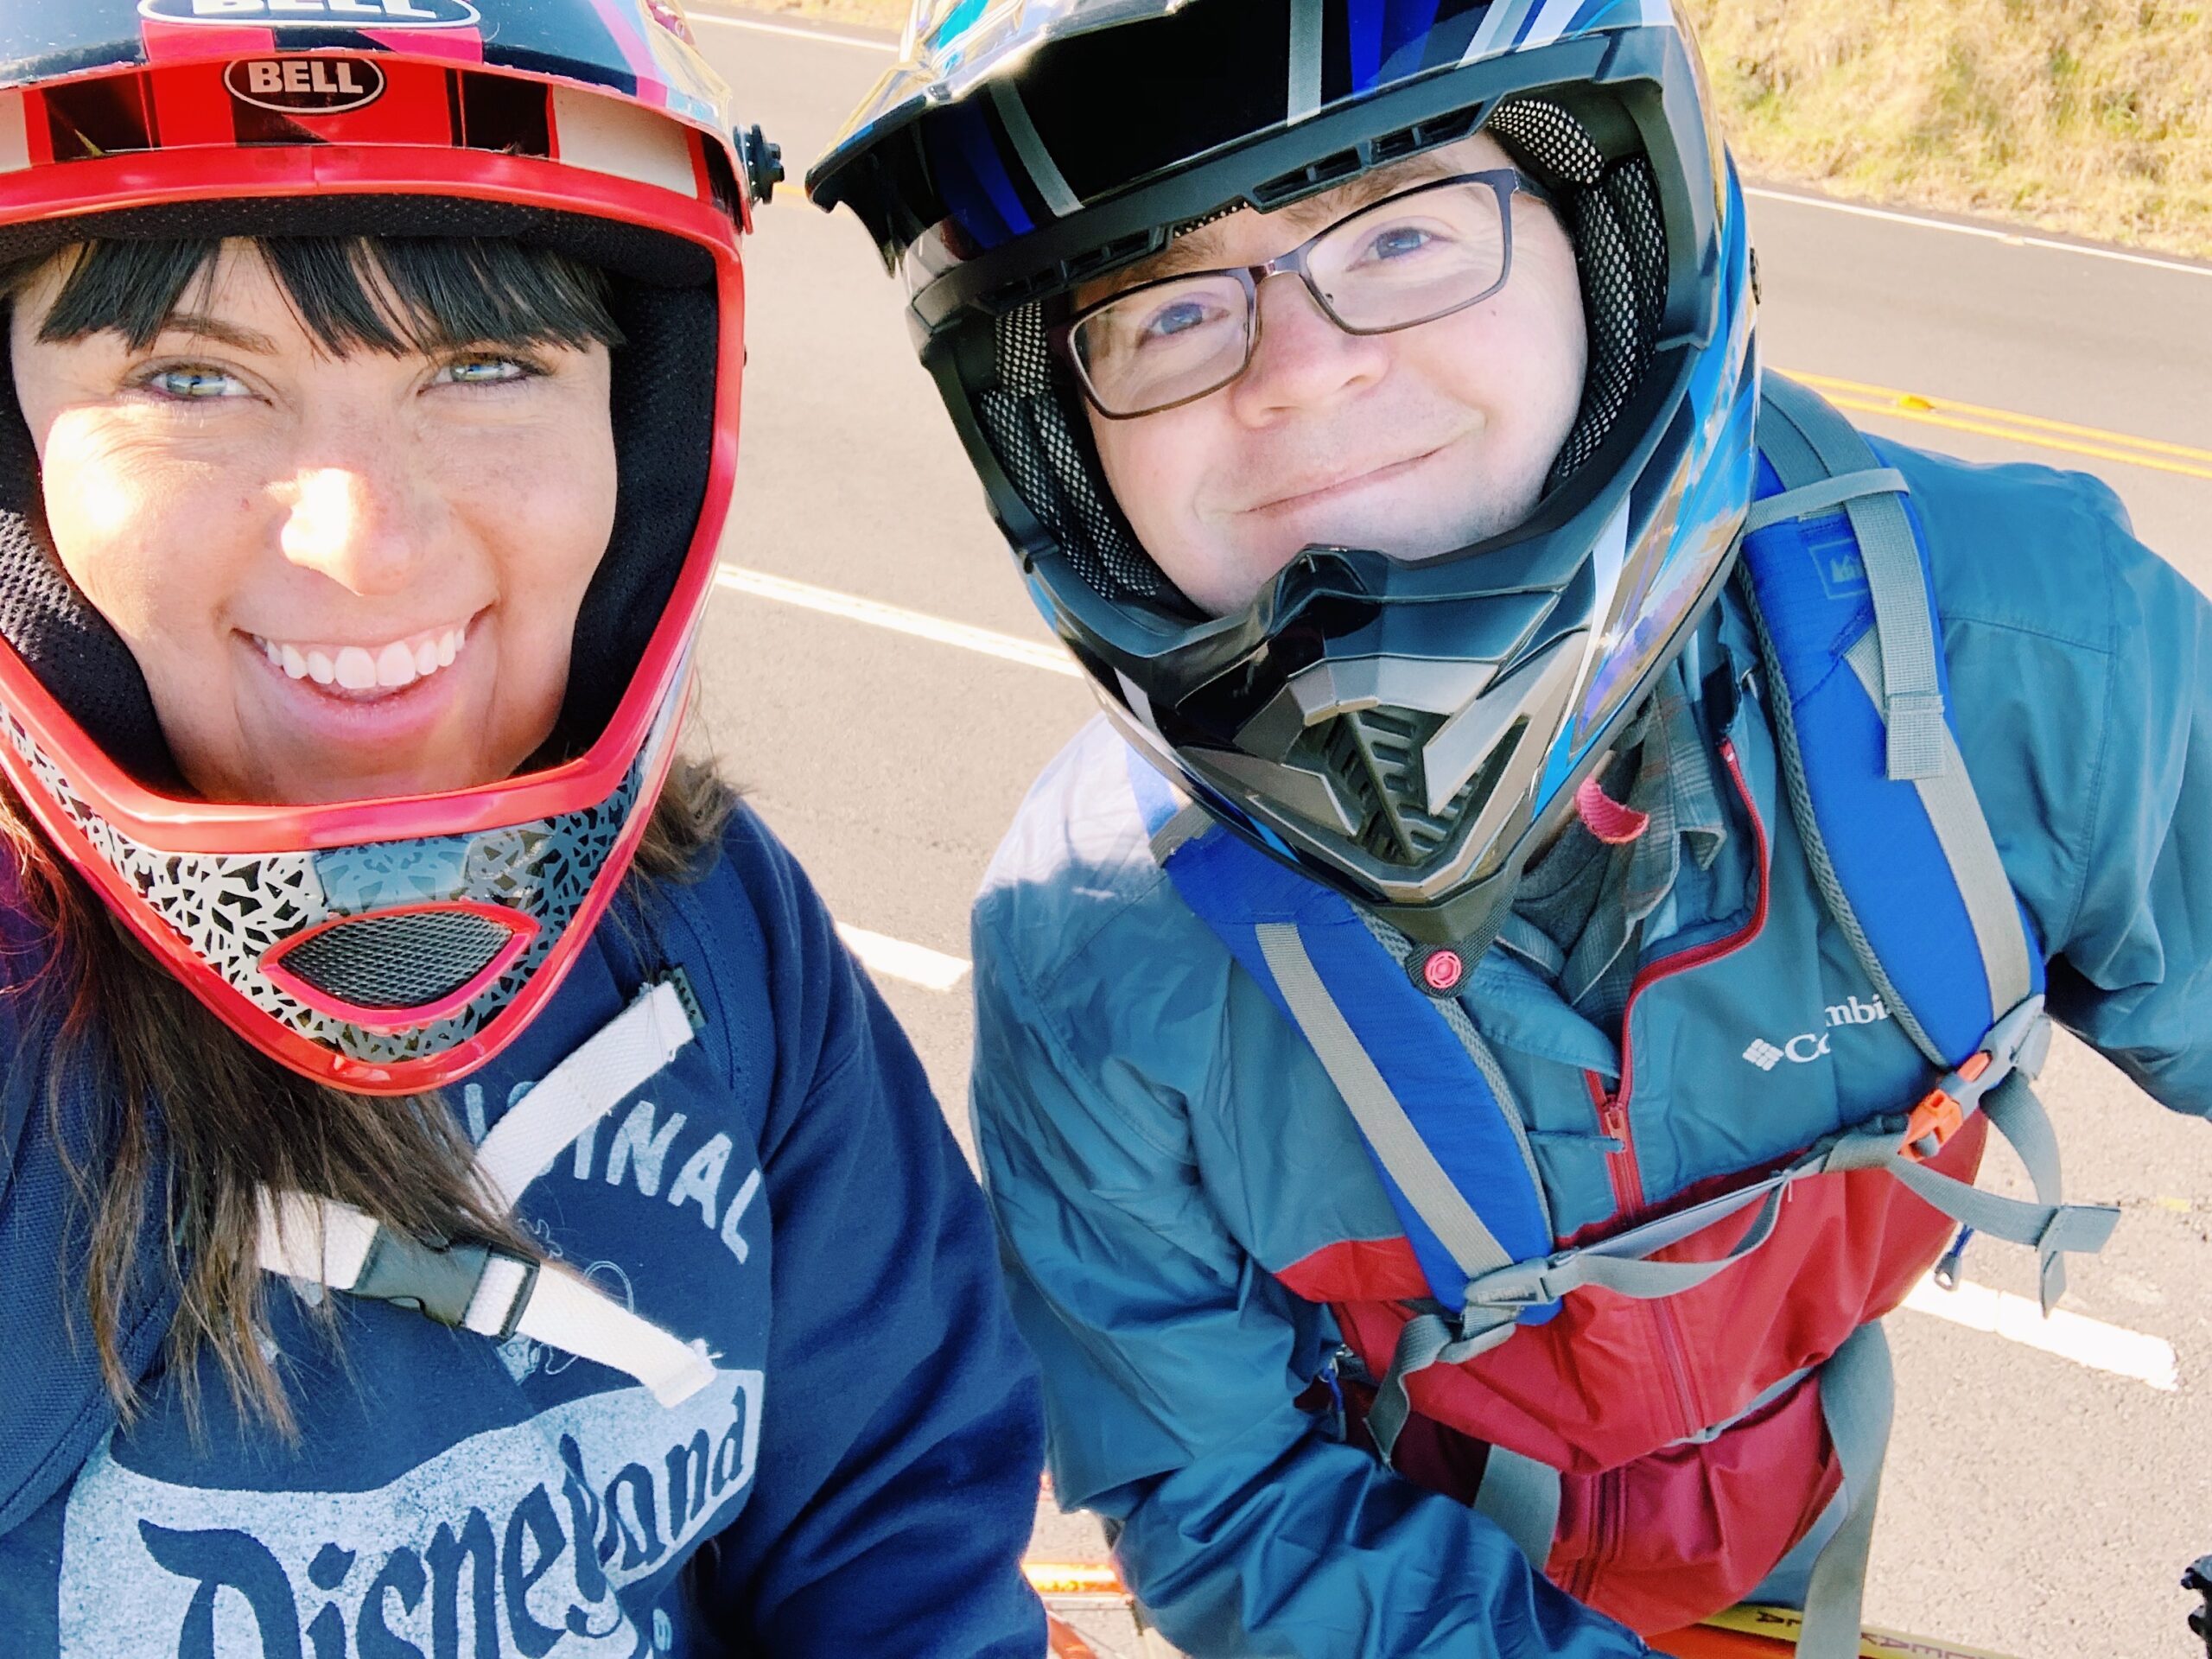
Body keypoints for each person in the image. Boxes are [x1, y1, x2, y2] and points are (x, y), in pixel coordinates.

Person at [808, 2, 2212, 1655]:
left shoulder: (2032, 657)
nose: (1303, 372)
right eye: (1168, 310)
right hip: (1412, 1579)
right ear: (1059, 445)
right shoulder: (1096, 954)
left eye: (1403, 231)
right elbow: (1218, 1489)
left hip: (1779, 1511)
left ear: (1617, 251)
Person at [0, 6, 1046, 1654]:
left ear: (643, 420)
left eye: (484, 364)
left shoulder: (711, 929)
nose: (365, 547)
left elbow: (900, 1527)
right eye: (189, 377)